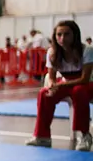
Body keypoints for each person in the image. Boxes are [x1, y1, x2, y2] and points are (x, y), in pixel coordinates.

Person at [26, 20, 93, 151]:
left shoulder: (87, 50)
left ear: (75, 35)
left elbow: (84, 79)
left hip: (87, 84)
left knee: (78, 91)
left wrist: (60, 85)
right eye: (59, 35)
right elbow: (51, 77)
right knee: (44, 94)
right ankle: (42, 136)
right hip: (67, 84)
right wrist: (51, 86)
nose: (62, 38)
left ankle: (84, 135)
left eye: (66, 34)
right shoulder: (52, 52)